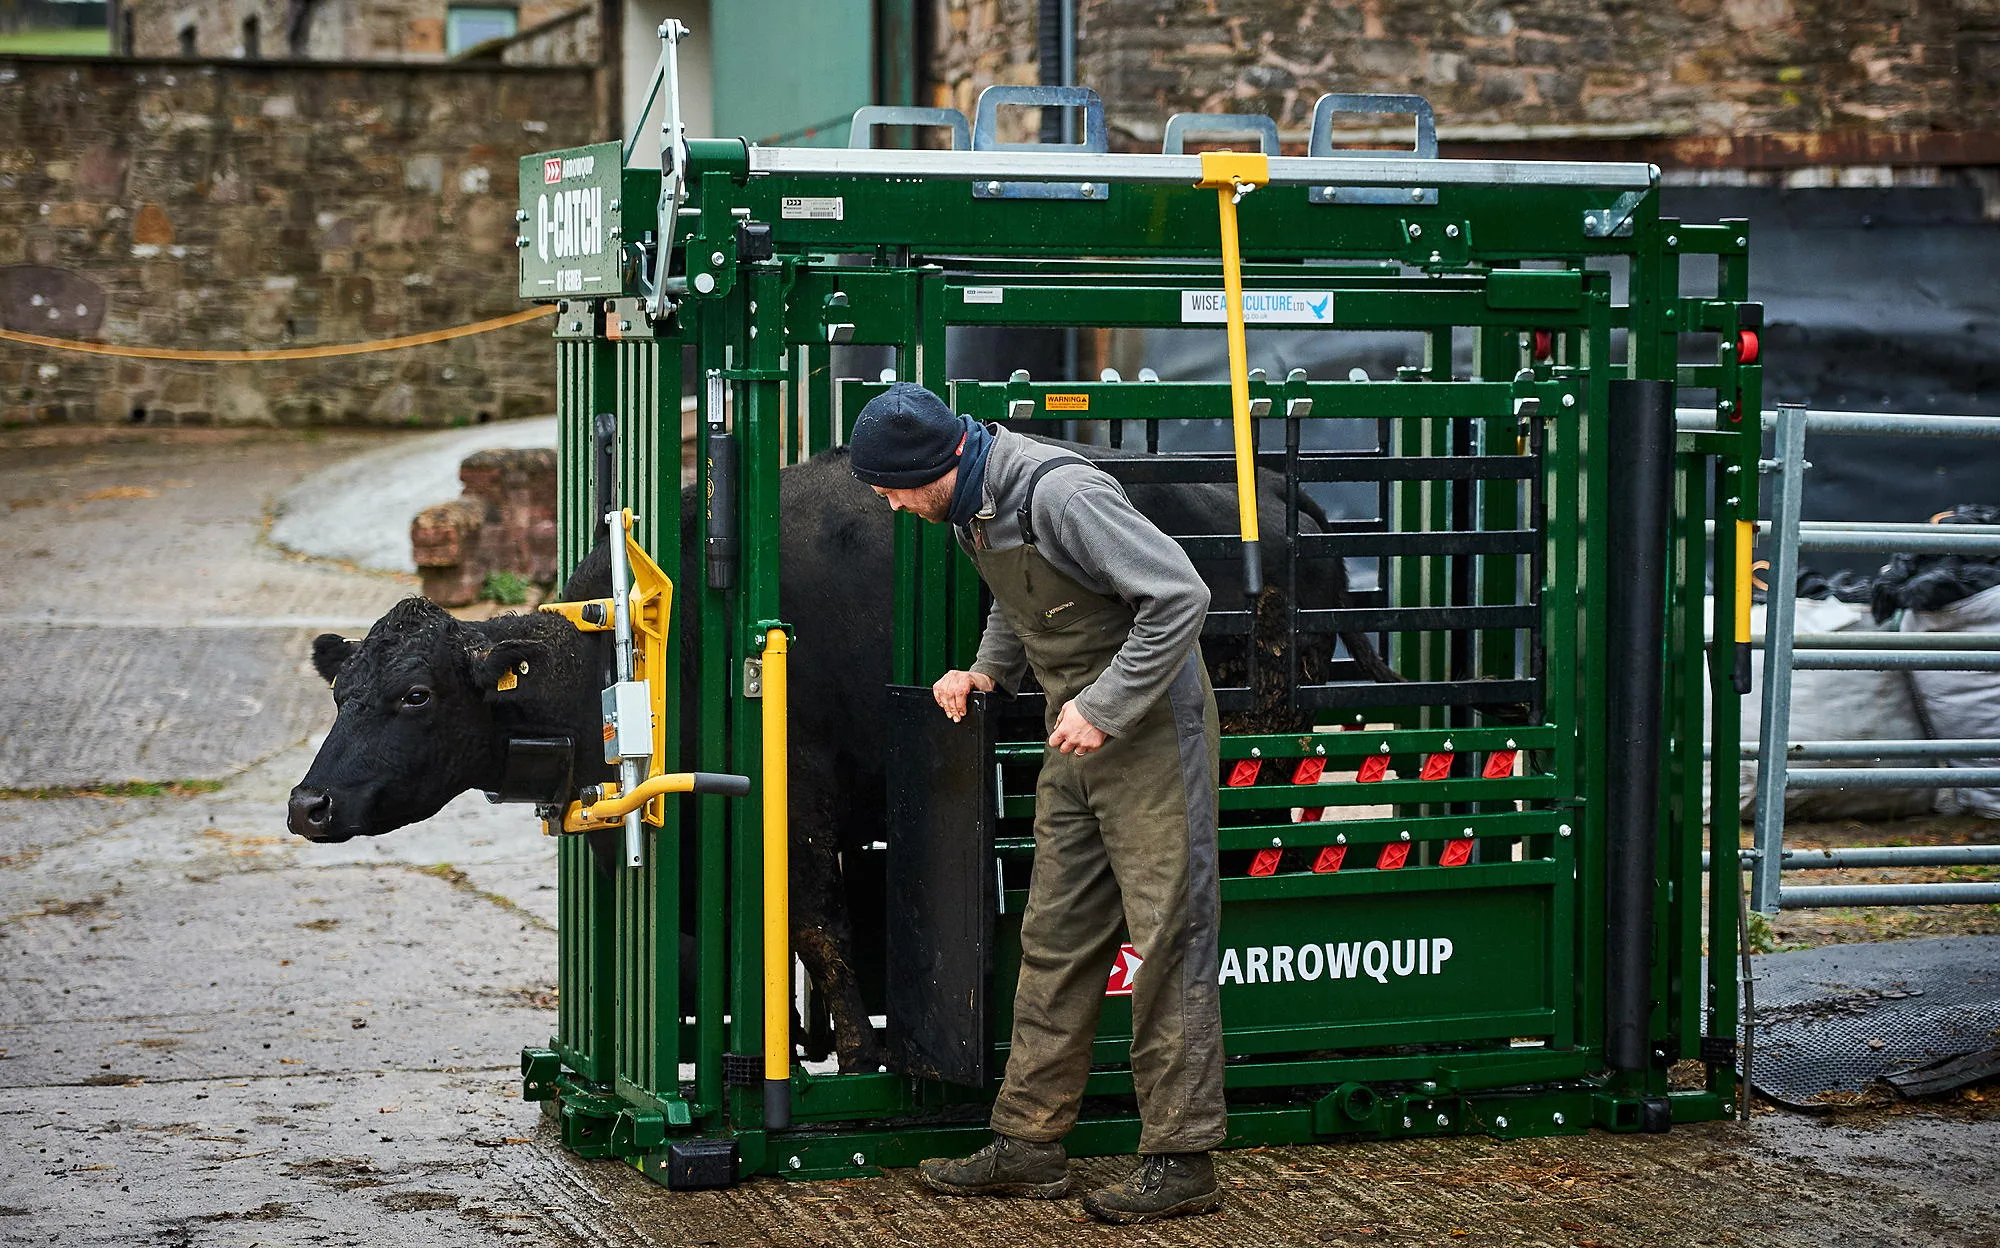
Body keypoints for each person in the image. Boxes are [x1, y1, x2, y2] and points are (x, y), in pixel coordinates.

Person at [848, 382, 1226, 1225]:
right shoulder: (968, 506)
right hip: (1076, 730)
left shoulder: (1062, 492)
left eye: (892, 486)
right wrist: (988, 672)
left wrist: (1105, 707)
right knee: (1053, 934)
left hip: (1149, 724)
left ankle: (1183, 1155)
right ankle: (1029, 1143)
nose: (886, 500)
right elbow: (1026, 607)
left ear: (936, 463)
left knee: (1169, 932)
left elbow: (1180, 597)